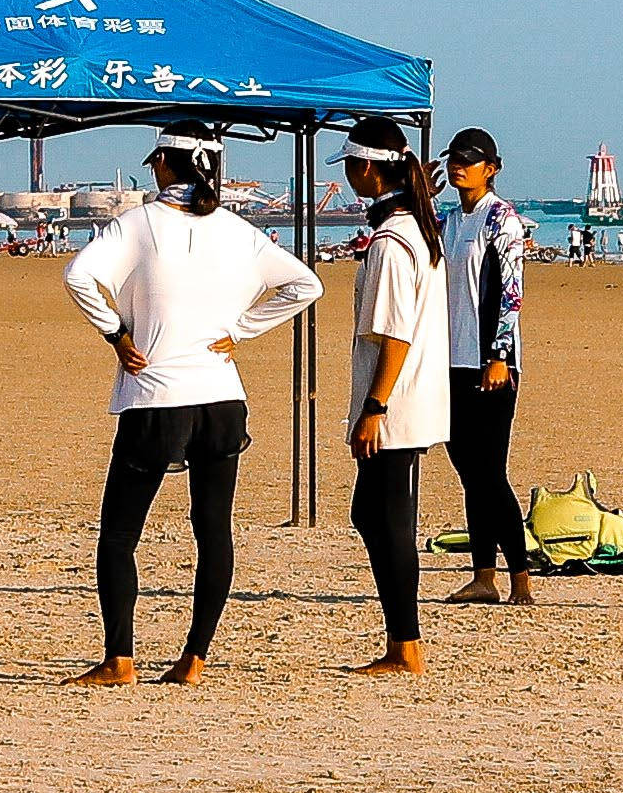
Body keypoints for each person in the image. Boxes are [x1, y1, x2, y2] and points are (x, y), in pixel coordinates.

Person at [63, 138, 315, 686]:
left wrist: (116, 332)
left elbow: (78, 276)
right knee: (213, 530)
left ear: (161, 163)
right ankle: (194, 658)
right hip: (222, 399)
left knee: (120, 534)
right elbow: (305, 283)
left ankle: (119, 659)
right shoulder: (238, 228)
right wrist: (240, 330)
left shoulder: (139, 223)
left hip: (157, 395)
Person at [341, 129, 448, 676]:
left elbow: (395, 333)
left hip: (396, 403)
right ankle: (401, 640)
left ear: (367, 171)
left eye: (350, 166)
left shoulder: (392, 241)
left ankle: (406, 644)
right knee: (373, 514)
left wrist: (375, 406)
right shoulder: (415, 231)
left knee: (389, 520)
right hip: (407, 397)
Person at [441, 131, 540, 607]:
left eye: (469, 160)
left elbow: (511, 293)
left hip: (490, 362)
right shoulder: (449, 220)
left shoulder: (502, 219)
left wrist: (499, 355)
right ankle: (483, 575)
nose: (459, 166)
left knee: (489, 471)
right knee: (465, 467)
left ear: (491, 167)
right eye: (454, 159)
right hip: (452, 360)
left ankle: (519, 573)